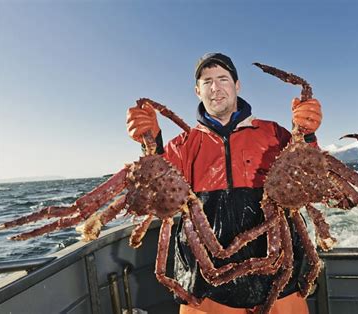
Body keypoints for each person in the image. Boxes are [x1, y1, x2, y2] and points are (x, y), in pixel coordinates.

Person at [126, 53, 322, 314]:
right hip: (206, 291)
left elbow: (310, 178)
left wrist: (308, 136)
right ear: (198, 91)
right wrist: (150, 143)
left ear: (237, 85)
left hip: (280, 283)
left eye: (222, 79)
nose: (215, 88)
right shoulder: (181, 146)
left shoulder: (274, 134)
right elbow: (156, 191)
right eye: (207, 82)